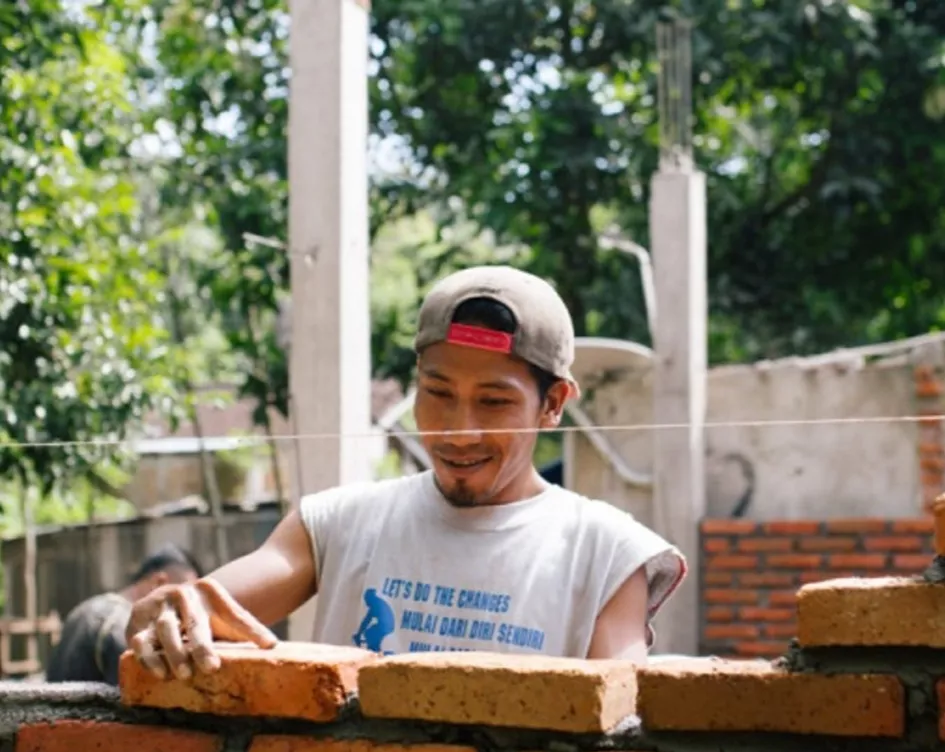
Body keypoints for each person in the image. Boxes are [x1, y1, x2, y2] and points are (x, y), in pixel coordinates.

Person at [126, 266, 687, 680]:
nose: (457, 430)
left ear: (554, 402)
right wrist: (172, 611)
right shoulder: (337, 524)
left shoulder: (608, 554)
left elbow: (620, 713)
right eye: (438, 393)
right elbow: (204, 610)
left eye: (493, 402)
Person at [46, 544, 200, 685]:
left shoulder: (86, 608)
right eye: (182, 595)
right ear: (160, 583)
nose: (186, 607)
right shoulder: (123, 625)